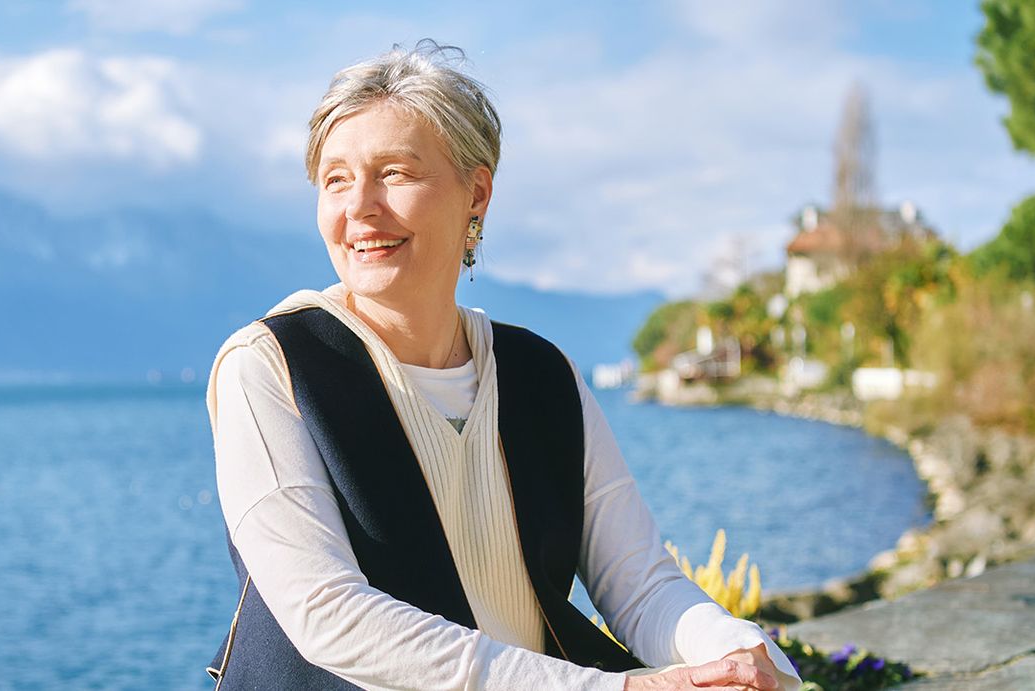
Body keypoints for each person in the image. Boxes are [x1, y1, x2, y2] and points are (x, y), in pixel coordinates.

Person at [203, 41, 804, 691]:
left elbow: (640, 582)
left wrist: (743, 654)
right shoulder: (269, 367)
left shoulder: (541, 374)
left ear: (477, 192)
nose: (360, 207)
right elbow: (328, 615)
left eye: (394, 173)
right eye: (336, 180)